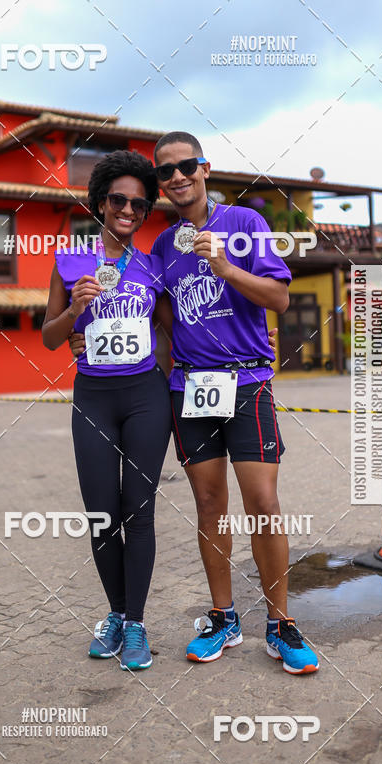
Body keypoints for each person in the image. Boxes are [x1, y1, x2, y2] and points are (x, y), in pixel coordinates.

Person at [149, 132, 319, 674]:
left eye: (185, 166)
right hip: (192, 389)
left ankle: (280, 623)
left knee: (263, 503)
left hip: (248, 383)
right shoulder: (162, 246)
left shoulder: (246, 224)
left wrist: (226, 269)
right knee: (208, 506)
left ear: (204, 169)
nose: (176, 176)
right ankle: (223, 617)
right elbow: (163, 322)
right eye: (165, 171)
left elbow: (279, 298)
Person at [42, 150, 171, 671]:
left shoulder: (153, 265)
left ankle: (136, 623)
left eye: (139, 205)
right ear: (99, 203)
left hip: (145, 398)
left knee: (138, 512)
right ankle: (115, 614)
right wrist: (74, 309)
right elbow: (51, 338)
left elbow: (175, 329)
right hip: (93, 398)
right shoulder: (69, 261)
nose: (128, 210)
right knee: (102, 515)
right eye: (118, 199)